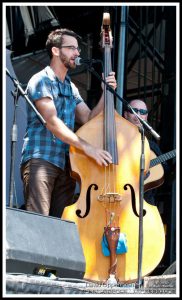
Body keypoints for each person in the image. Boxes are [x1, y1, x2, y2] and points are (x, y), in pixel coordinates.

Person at [20, 28, 117, 217]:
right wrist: (87, 148)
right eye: (71, 48)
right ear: (56, 51)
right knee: (39, 224)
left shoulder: (70, 87)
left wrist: (106, 92)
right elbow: (52, 122)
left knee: (59, 229)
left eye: (78, 49)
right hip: (42, 160)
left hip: (67, 166)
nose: (77, 53)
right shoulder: (41, 80)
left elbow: (89, 118)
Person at [123, 99, 169, 205]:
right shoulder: (116, 140)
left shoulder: (152, 146)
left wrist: (149, 173)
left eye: (142, 112)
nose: (138, 115)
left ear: (146, 117)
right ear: (126, 115)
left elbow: (166, 174)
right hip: (120, 197)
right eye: (133, 111)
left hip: (146, 202)